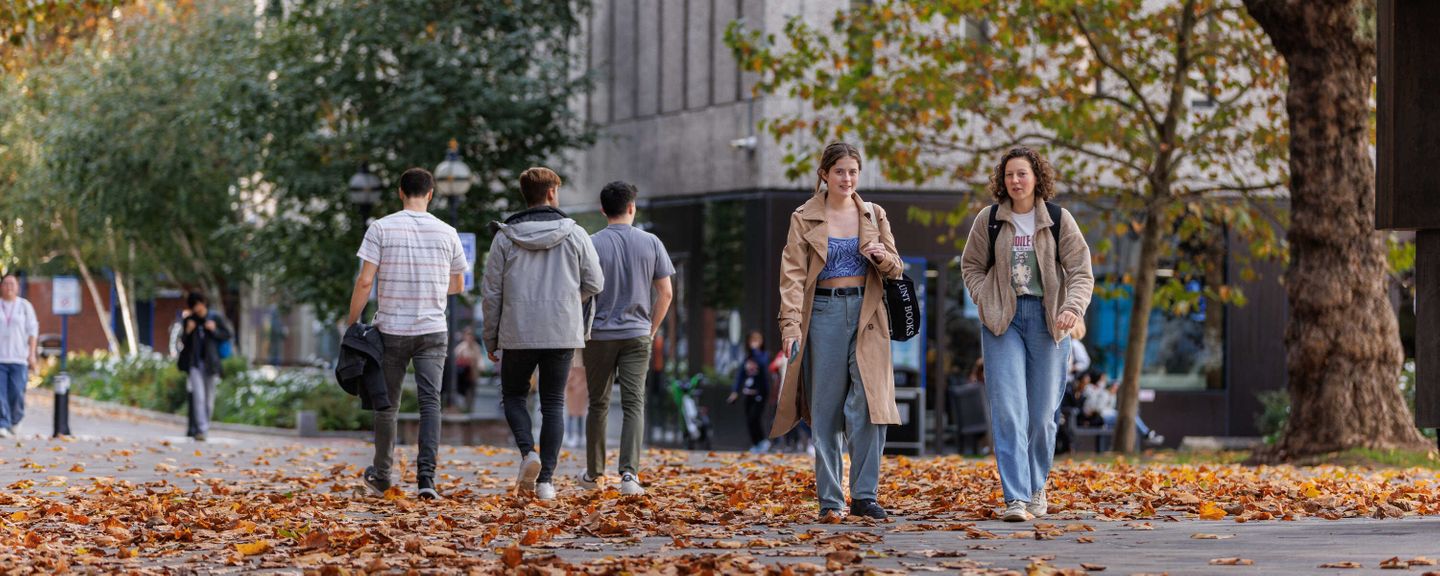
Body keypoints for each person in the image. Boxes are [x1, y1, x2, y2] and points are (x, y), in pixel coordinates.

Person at [772, 142, 905, 522]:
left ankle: (865, 495)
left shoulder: (874, 214)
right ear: (824, 174)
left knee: (870, 406)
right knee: (826, 410)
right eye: (840, 171)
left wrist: (881, 256)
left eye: (853, 172)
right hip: (824, 313)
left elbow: (896, 267)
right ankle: (831, 500)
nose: (847, 179)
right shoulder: (804, 217)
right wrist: (791, 325)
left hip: (869, 314)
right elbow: (792, 276)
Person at [960, 146, 1094, 522]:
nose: (1015, 181)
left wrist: (1072, 307)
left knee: (1041, 415)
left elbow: (1081, 271)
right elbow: (971, 265)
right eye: (1009, 175)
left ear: (1037, 178)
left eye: (1022, 174)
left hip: (1049, 321)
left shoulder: (1057, 219)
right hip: (1004, 320)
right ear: (1001, 181)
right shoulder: (989, 219)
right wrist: (984, 298)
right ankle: (1015, 498)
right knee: (1008, 410)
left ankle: (1037, 487)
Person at [347, 167, 469, 500]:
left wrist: (352, 321)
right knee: (432, 404)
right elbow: (458, 283)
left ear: (401, 192)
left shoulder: (381, 228)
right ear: (430, 193)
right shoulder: (447, 232)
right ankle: (427, 479)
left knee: (387, 405)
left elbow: (365, 281)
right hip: (433, 329)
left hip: (391, 330)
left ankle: (383, 476)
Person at [482, 167, 603, 501]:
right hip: (561, 330)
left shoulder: (504, 238)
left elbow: (492, 293)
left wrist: (489, 338)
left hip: (518, 330)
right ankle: (546, 481)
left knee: (513, 395)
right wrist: (565, 300)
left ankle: (527, 453)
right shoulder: (576, 234)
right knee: (553, 403)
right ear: (551, 193)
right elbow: (596, 282)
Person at [580, 181, 674, 496]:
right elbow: (666, 293)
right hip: (637, 334)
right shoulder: (652, 242)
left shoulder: (591, 244)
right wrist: (651, 328)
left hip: (599, 335)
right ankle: (629, 474)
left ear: (603, 210)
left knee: (598, 403)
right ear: (632, 207)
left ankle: (594, 473)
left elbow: (579, 293)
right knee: (634, 402)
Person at [175, 292, 233, 443]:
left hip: (211, 364)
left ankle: (205, 426)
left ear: (203, 302)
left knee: (209, 400)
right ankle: (202, 429)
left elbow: (227, 334)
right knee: (199, 397)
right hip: (195, 364)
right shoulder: (189, 320)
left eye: (198, 304)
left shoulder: (215, 317)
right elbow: (182, 341)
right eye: (194, 306)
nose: (197, 308)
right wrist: (188, 330)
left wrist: (214, 329)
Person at [1079, 370, 1164, 446]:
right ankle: (1146, 434)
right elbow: (1096, 408)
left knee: (1131, 415)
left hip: (1107, 416)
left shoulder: (1104, 390)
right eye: (1102, 379)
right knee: (1127, 415)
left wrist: (1111, 394)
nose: (1104, 381)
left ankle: (1146, 434)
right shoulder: (1090, 389)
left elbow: (1110, 406)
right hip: (1098, 417)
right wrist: (1106, 394)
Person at [0, 273, 38, 438]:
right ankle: (3, 423)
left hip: (19, 359)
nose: (9, 287)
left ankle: (15, 420)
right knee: (0, 393)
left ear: (17, 287)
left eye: (12, 284)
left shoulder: (24, 306)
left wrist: (32, 355)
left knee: (16, 393)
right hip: (0, 358)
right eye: (6, 283)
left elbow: (32, 331)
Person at [729, 330, 771, 453]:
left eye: (757, 341)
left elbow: (763, 365)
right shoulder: (747, 358)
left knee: (755, 417)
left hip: (760, 393)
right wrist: (734, 391)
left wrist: (755, 350)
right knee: (749, 420)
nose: (754, 343)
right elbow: (740, 375)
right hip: (748, 393)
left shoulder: (763, 355)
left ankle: (763, 441)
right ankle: (756, 443)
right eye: (752, 341)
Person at [452, 328, 483, 412]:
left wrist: (480, 367)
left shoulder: (476, 347)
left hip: (473, 375)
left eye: (471, 335)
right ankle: (464, 411)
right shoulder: (461, 347)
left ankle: (469, 411)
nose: (469, 337)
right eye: (467, 334)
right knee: (463, 394)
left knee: (471, 394)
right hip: (463, 376)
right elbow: (455, 359)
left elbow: (480, 360)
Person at [563, 355, 587, 449]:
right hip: (577, 393)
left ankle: (573, 437)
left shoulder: (573, 369)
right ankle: (576, 437)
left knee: (573, 416)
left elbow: (567, 380)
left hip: (575, 393)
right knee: (576, 416)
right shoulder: (583, 371)